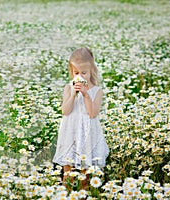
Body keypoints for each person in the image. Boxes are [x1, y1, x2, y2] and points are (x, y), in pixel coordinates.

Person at [52, 47, 109, 189]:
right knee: (68, 166)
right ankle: (67, 191)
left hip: (87, 132)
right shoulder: (68, 88)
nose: (80, 76)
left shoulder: (97, 90)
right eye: (76, 73)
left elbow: (92, 113)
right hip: (71, 130)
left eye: (84, 73)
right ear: (72, 72)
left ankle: (84, 192)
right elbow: (65, 110)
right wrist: (73, 94)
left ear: (91, 71)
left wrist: (86, 95)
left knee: (86, 167)